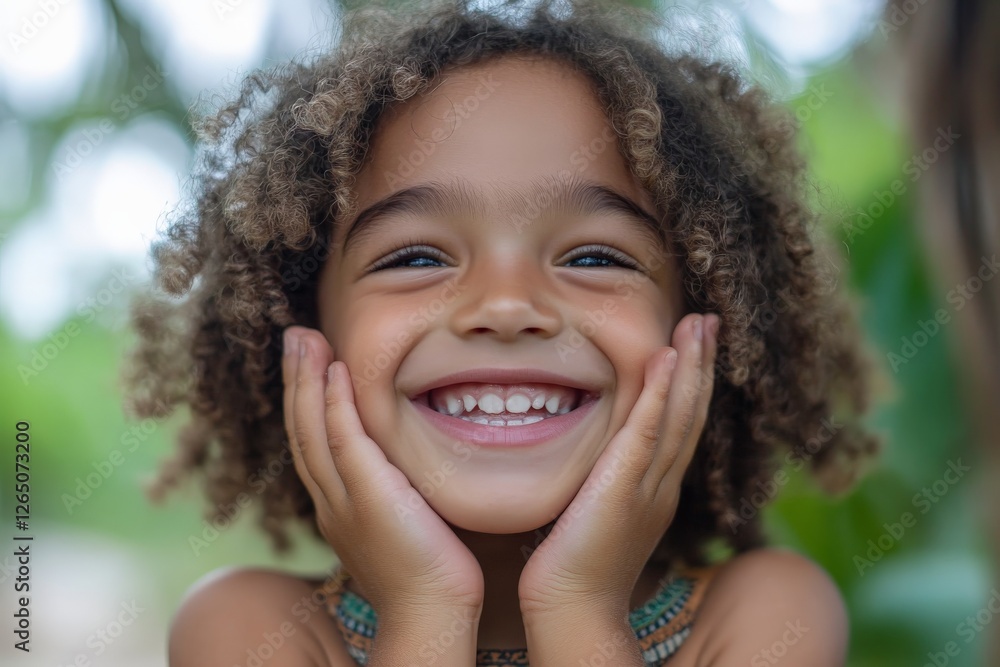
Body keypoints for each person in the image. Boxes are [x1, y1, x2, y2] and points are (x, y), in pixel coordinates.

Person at [122, 0, 882, 664]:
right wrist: (424, 607)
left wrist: (578, 603)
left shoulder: (767, 613)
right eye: (416, 258)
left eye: (594, 257)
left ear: (701, 327)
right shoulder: (249, 627)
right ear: (302, 328)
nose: (509, 305)